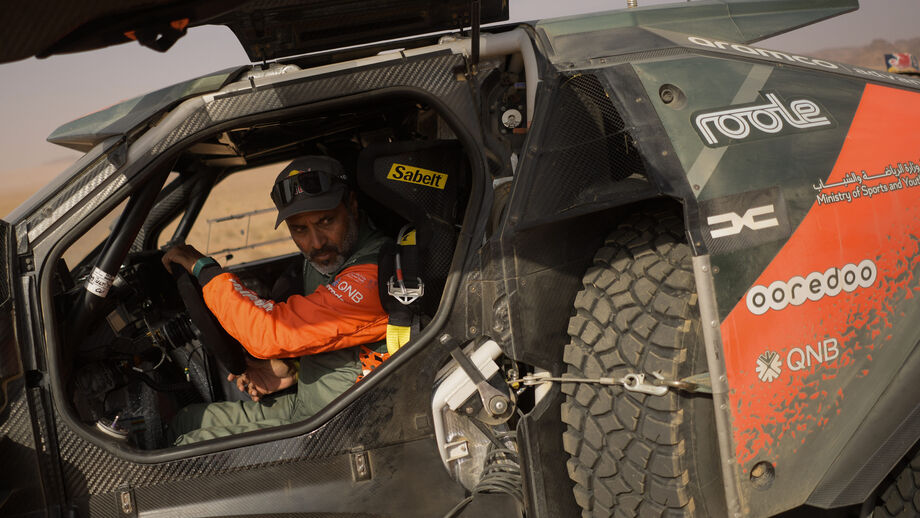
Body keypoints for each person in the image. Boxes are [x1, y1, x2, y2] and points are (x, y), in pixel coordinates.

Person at [162, 155, 392, 445]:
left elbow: (269, 332)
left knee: (187, 447)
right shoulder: (330, 258)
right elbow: (338, 340)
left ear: (352, 207)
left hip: (339, 428)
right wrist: (293, 370)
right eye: (299, 229)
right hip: (311, 406)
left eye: (326, 220)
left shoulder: (373, 275)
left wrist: (204, 270)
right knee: (187, 420)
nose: (317, 242)